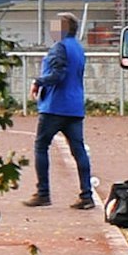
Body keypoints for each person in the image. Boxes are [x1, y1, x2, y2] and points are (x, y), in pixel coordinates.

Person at [26, 12, 95, 209]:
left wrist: (38, 82)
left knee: (41, 146)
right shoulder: (78, 48)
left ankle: (43, 193)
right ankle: (86, 195)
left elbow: (57, 74)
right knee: (79, 150)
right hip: (74, 106)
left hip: (55, 106)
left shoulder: (60, 47)